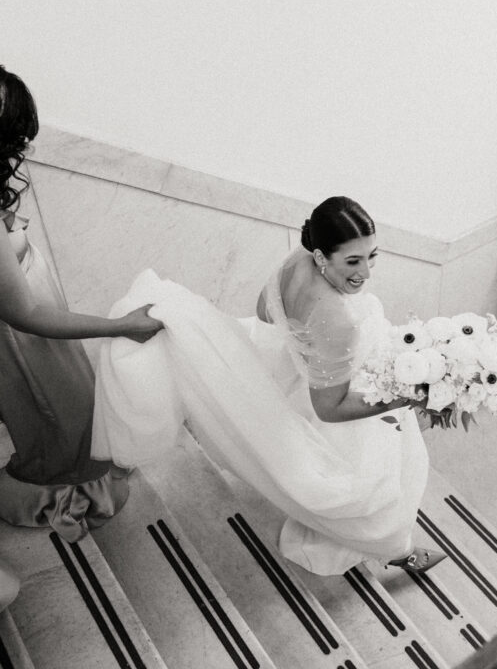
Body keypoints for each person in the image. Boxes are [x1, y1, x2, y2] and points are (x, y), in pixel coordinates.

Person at [93, 196, 445, 576]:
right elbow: (330, 408)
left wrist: (307, 352)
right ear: (324, 256)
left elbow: (265, 310)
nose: (367, 272)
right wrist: (401, 397)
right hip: (328, 395)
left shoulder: (300, 259)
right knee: (374, 482)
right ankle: (394, 550)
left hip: (291, 370)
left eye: (372, 256)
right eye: (354, 262)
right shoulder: (338, 320)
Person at [0, 65, 163, 544]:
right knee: (62, 420)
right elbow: (26, 315)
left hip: (35, 333)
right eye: (16, 139)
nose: (24, 150)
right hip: (26, 344)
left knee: (74, 414)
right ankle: (62, 496)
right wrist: (119, 326)